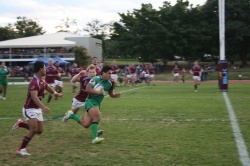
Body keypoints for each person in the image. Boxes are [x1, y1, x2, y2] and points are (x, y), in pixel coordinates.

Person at [11, 61, 63, 155]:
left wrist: (56, 93)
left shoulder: (42, 80)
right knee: (34, 129)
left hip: (37, 109)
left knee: (39, 131)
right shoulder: (34, 82)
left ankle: (20, 124)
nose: (46, 69)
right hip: (29, 108)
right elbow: (34, 98)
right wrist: (43, 107)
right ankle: (21, 150)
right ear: (40, 70)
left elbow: (47, 87)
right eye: (44, 68)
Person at [63, 66, 121, 144]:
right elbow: (88, 89)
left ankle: (70, 116)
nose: (110, 75)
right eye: (109, 73)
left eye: (111, 73)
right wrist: (98, 93)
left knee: (86, 124)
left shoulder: (110, 83)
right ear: (103, 73)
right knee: (97, 116)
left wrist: (115, 95)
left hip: (97, 103)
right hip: (90, 101)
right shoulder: (96, 79)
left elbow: (111, 94)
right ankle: (95, 138)